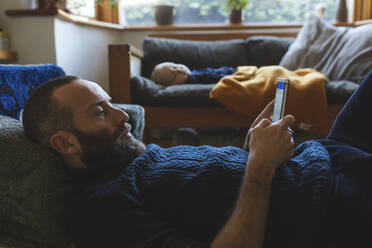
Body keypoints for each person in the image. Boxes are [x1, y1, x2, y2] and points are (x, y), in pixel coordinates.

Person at [21, 71, 372, 248]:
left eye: (112, 103)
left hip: (329, 153)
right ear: (64, 142)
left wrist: (250, 151)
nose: (122, 116)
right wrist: (260, 167)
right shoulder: (100, 208)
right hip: (337, 201)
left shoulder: (133, 162)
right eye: (100, 112)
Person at [151, 62, 236, 86]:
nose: (179, 70)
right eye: (174, 76)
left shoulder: (194, 73)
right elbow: (217, 78)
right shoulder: (195, 78)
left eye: (175, 66)